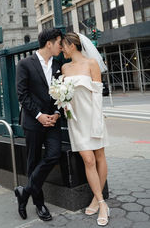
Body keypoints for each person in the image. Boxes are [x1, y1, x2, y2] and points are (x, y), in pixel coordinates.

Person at [61, 32, 110, 226]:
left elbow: (97, 95)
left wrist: (97, 122)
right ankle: (101, 200)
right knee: (88, 159)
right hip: (76, 121)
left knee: (99, 157)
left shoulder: (91, 64)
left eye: (63, 45)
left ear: (72, 45)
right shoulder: (64, 67)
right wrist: (64, 103)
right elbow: (64, 95)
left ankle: (99, 202)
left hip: (93, 117)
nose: (61, 50)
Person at [15, 28, 62, 221]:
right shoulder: (25, 64)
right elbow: (22, 95)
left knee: (54, 154)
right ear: (49, 43)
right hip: (33, 122)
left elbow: (61, 93)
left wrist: (57, 113)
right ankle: (39, 204)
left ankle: (24, 192)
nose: (61, 46)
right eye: (59, 42)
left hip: (53, 121)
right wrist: (39, 115)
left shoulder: (59, 64)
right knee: (33, 161)